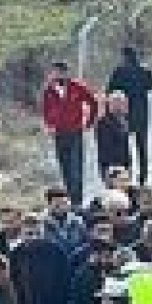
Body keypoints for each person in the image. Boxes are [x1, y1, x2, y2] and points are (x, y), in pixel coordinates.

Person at [40, 61, 101, 203]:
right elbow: (45, 110)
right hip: (59, 133)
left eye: (60, 72)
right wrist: (49, 125)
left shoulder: (77, 86)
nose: (57, 75)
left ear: (65, 73)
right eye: (54, 72)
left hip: (75, 132)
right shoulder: (48, 90)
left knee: (76, 168)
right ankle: (68, 200)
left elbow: (93, 102)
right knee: (64, 167)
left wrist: (89, 122)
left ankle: (77, 201)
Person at [106, 47, 152, 185]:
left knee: (123, 146)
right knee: (142, 145)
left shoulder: (119, 71)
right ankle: (143, 176)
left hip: (124, 112)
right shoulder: (144, 70)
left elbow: (110, 90)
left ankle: (125, 175)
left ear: (124, 57)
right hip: (141, 112)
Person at [95, 92, 135, 185]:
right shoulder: (104, 122)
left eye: (124, 103)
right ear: (111, 105)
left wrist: (128, 165)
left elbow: (125, 146)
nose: (124, 106)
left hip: (123, 164)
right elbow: (105, 147)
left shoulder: (122, 120)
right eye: (121, 104)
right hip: (112, 167)